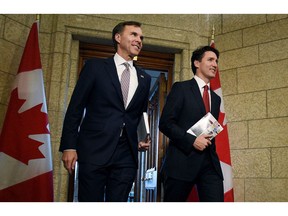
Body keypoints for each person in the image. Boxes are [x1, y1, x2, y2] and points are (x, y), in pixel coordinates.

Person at [59, 21, 151, 202]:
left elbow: (139, 114)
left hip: (126, 155)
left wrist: (140, 138)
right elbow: (75, 108)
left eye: (141, 37)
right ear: (118, 37)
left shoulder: (145, 78)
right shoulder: (95, 67)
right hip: (94, 150)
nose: (139, 40)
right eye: (133, 34)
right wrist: (69, 146)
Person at [159, 46, 224, 202]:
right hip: (182, 162)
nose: (215, 64)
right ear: (196, 63)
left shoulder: (216, 99)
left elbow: (209, 128)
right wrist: (192, 140)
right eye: (210, 59)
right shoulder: (181, 88)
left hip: (209, 165)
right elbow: (165, 123)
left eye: (216, 61)